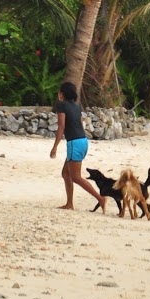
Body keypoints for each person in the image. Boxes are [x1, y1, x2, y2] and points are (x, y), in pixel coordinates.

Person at [50, 81, 105, 211]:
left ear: (61, 94)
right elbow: (80, 124)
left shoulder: (61, 106)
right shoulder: (77, 106)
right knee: (65, 173)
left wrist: (55, 146)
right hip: (83, 141)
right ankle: (69, 203)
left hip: (74, 143)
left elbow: (61, 127)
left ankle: (100, 198)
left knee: (76, 177)